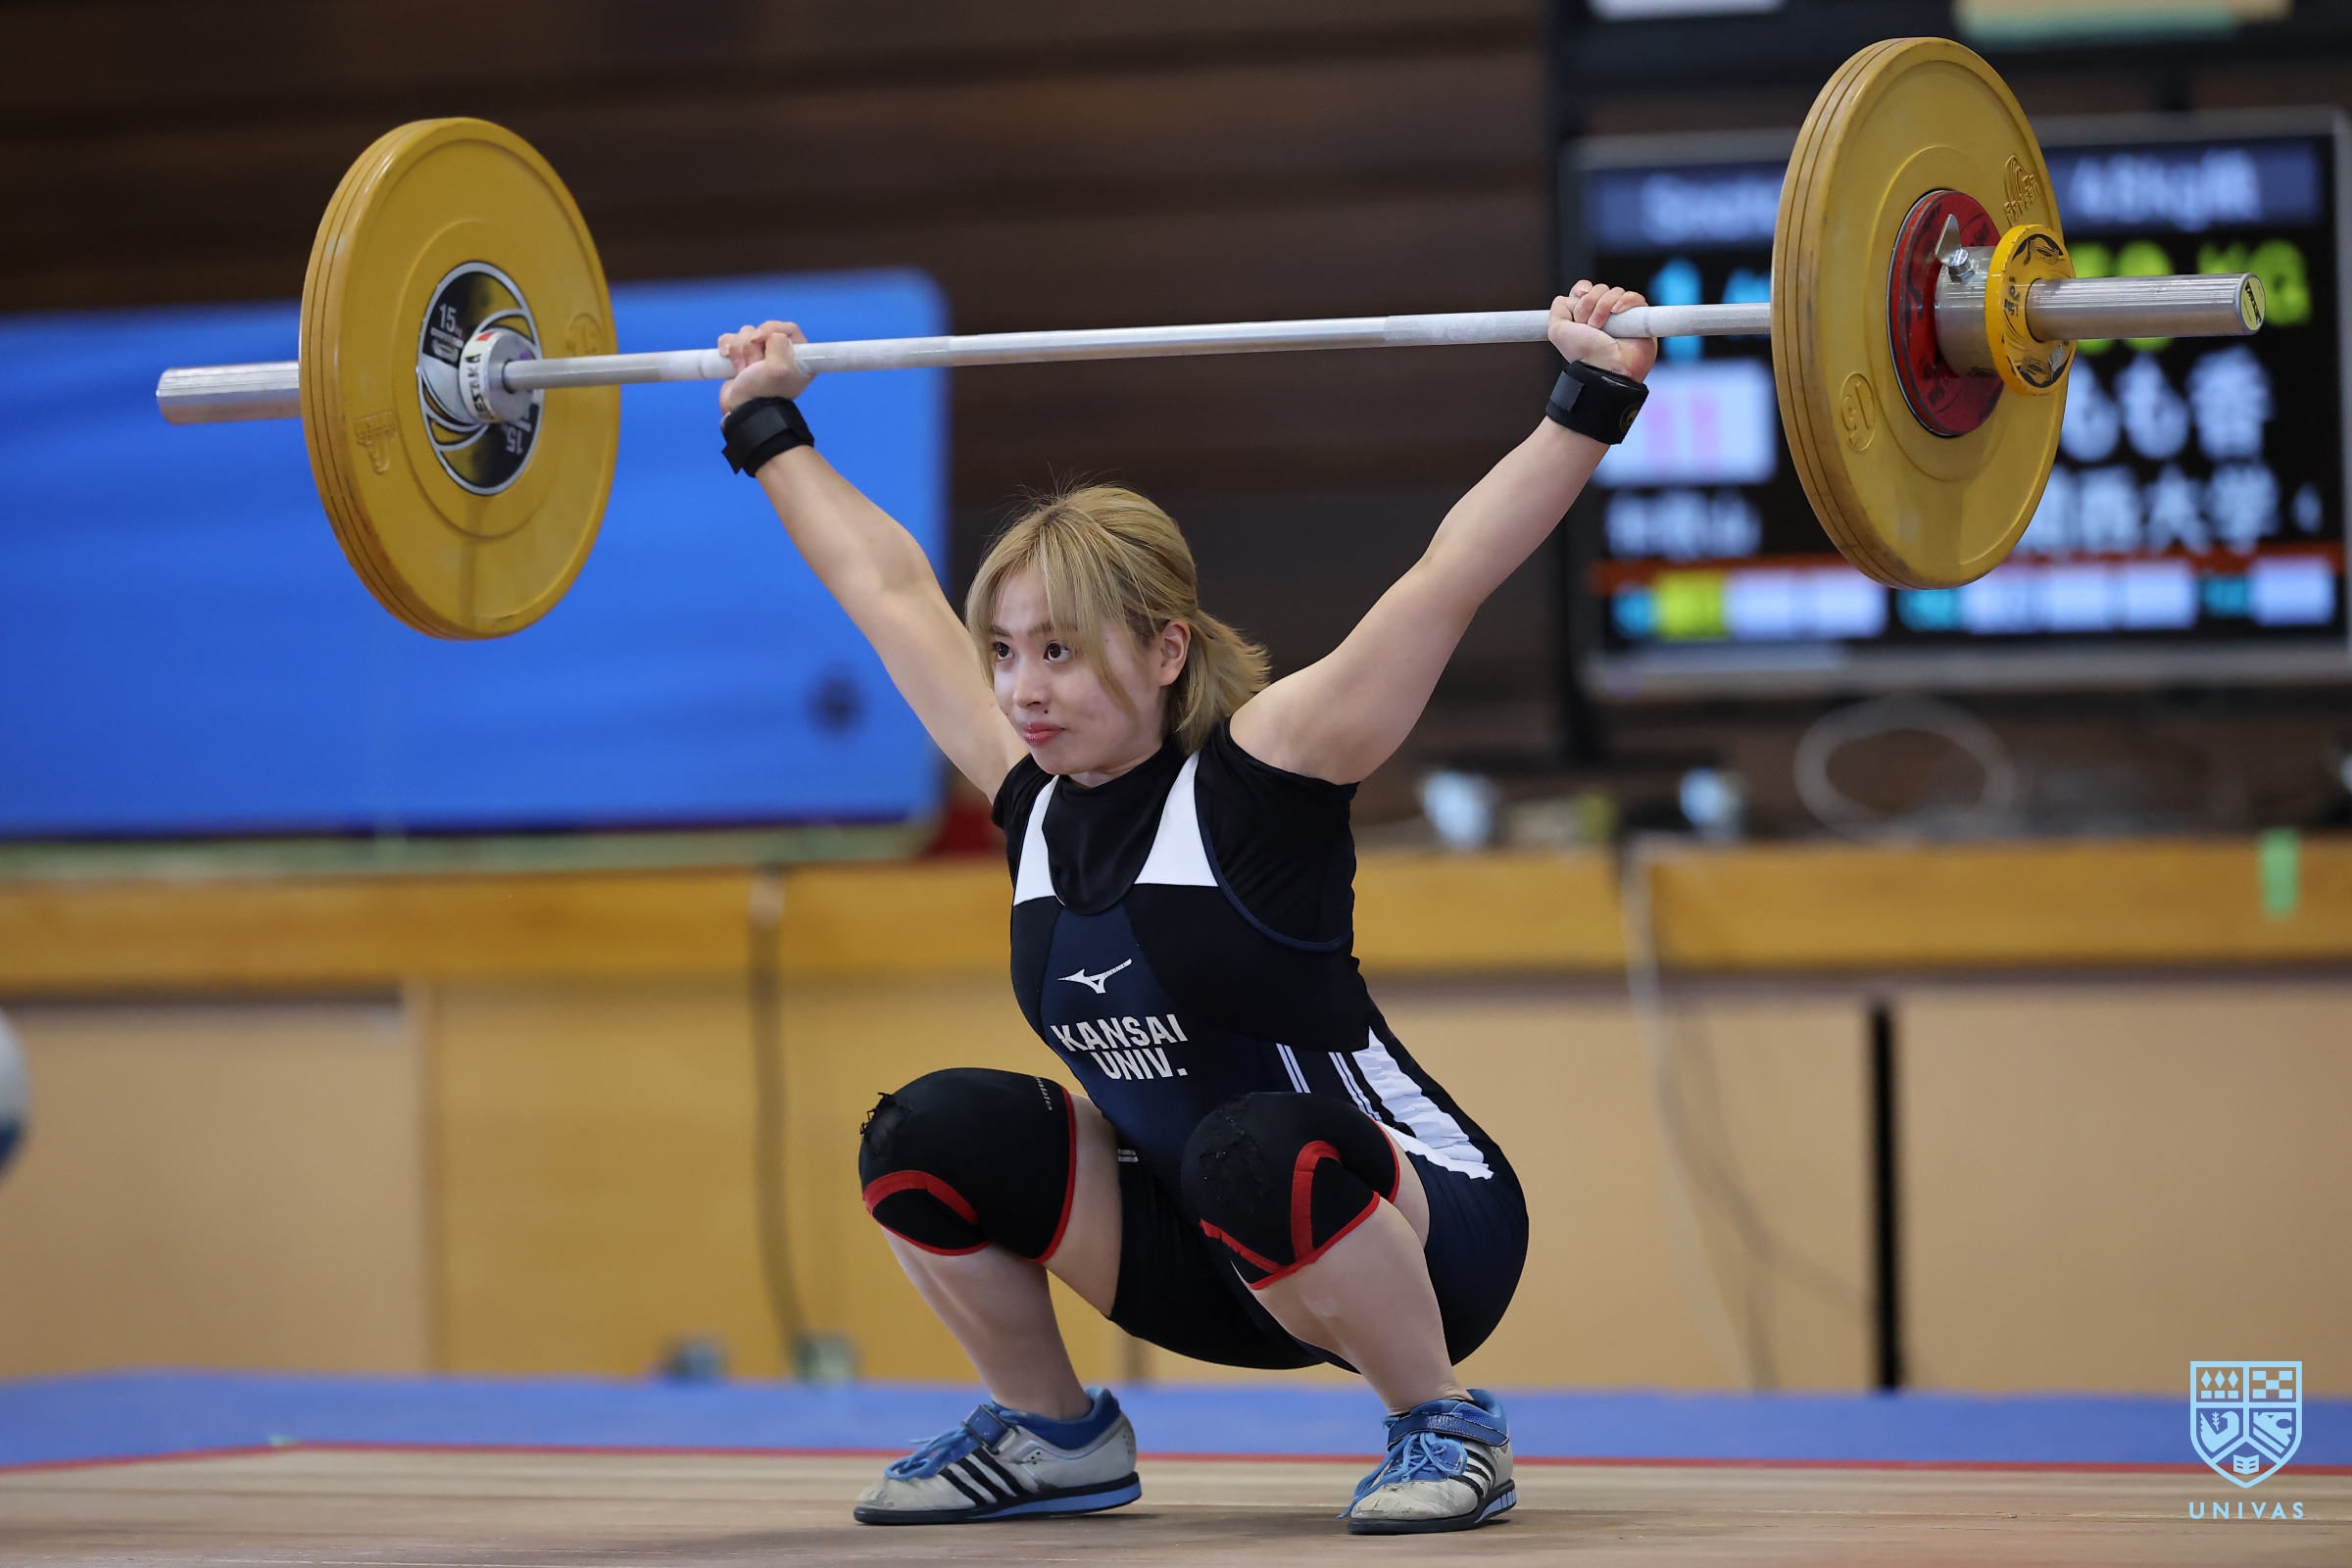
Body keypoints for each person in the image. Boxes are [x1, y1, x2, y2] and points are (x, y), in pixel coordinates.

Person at [714, 281, 1655, 1535]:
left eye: (1059, 650)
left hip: (1425, 1231)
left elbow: (1447, 578)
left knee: (1247, 1147)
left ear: (1166, 650)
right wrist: (768, 424)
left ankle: (1444, 1422)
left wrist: (1592, 398)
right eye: (1005, 651)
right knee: (921, 1134)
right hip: (1206, 1252)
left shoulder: (1266, 774)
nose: (1021, 689)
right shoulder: (1028, 796)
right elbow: (885, 591)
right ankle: (1054, 1435)